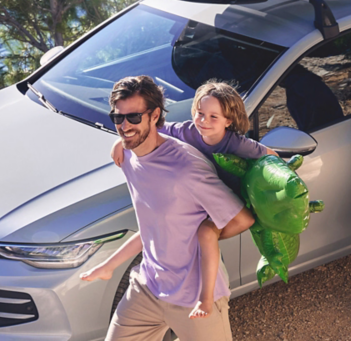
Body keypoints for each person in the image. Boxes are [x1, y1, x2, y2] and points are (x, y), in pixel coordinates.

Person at [80, 76, 255, 341]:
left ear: (155, 115)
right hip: (147, 287)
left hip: (195, 297)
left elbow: (242, 219)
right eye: (118, 118)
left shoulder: (186, 167)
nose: (125, 126)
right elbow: (154, 226)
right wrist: (109, 265)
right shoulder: (127, 155)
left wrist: (206, 231)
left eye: (134, 118)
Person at [111, 80, 278, 319]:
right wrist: (120, 142)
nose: (204, 122)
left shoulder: (237, 144)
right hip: (196, 203)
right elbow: (149, 130)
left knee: (206, 235)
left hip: (225, 205)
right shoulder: (186, 131)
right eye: (200, 114)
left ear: (228, 121)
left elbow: (271, 156)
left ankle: (206, 299)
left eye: (213, 117)